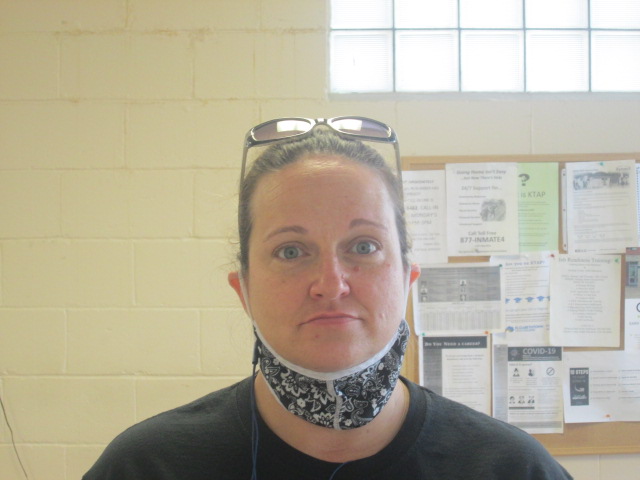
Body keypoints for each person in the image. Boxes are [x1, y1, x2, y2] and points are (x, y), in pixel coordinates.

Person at [83, 117, 573, 479]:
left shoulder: (513, 469)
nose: (331, 284)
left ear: (407, 279)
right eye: (290, 251)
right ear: (243, 290)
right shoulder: (145, 467)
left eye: (364, 246)